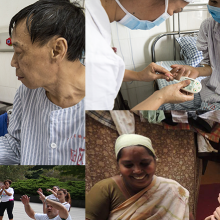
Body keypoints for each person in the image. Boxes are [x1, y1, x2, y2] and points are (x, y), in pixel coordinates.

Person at [0, 0, 85, 165]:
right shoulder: (26, 92)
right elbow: (16, 145)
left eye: (19, 52)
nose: (13, 62)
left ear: (57, 50)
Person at [86, 0, 194, 110]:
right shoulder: (88, 39)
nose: (169, 15)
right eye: (175, 10)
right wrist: (161, 97)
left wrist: (139, 76)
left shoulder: (93, 19)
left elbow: (99, 70)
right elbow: (97, 123)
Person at [86, 134, 191, 220]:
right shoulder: (105, 189)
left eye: (144, 163)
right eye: (128, 165)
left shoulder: (172, 190)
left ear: (155, 161)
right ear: (118, 165)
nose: (137, 171)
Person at [170, 0, 220, 110]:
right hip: (212, 94)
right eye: (214, 1)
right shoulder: (208, 26)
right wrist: (196, 71)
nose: (218, 7)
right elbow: (212, 68)